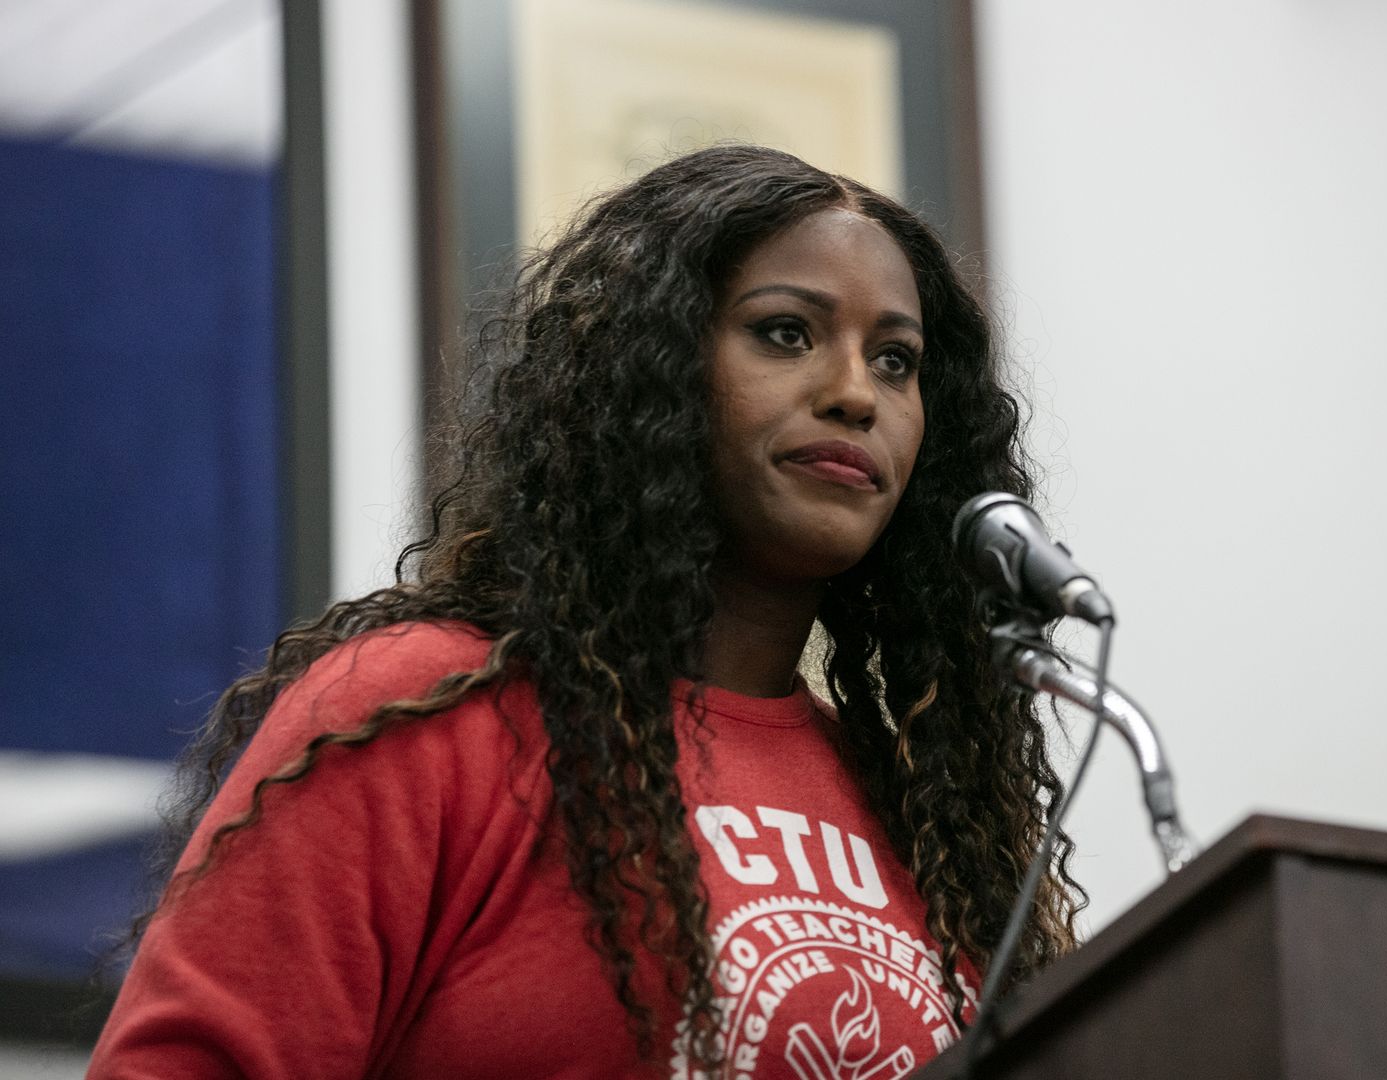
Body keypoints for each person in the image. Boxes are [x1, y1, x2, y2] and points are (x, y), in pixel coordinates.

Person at [89, 144, 1082, 1079]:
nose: (855, 393)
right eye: (787, 333)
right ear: (649, 372)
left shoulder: (929, 821)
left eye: (896, 362)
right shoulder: (428, 711)